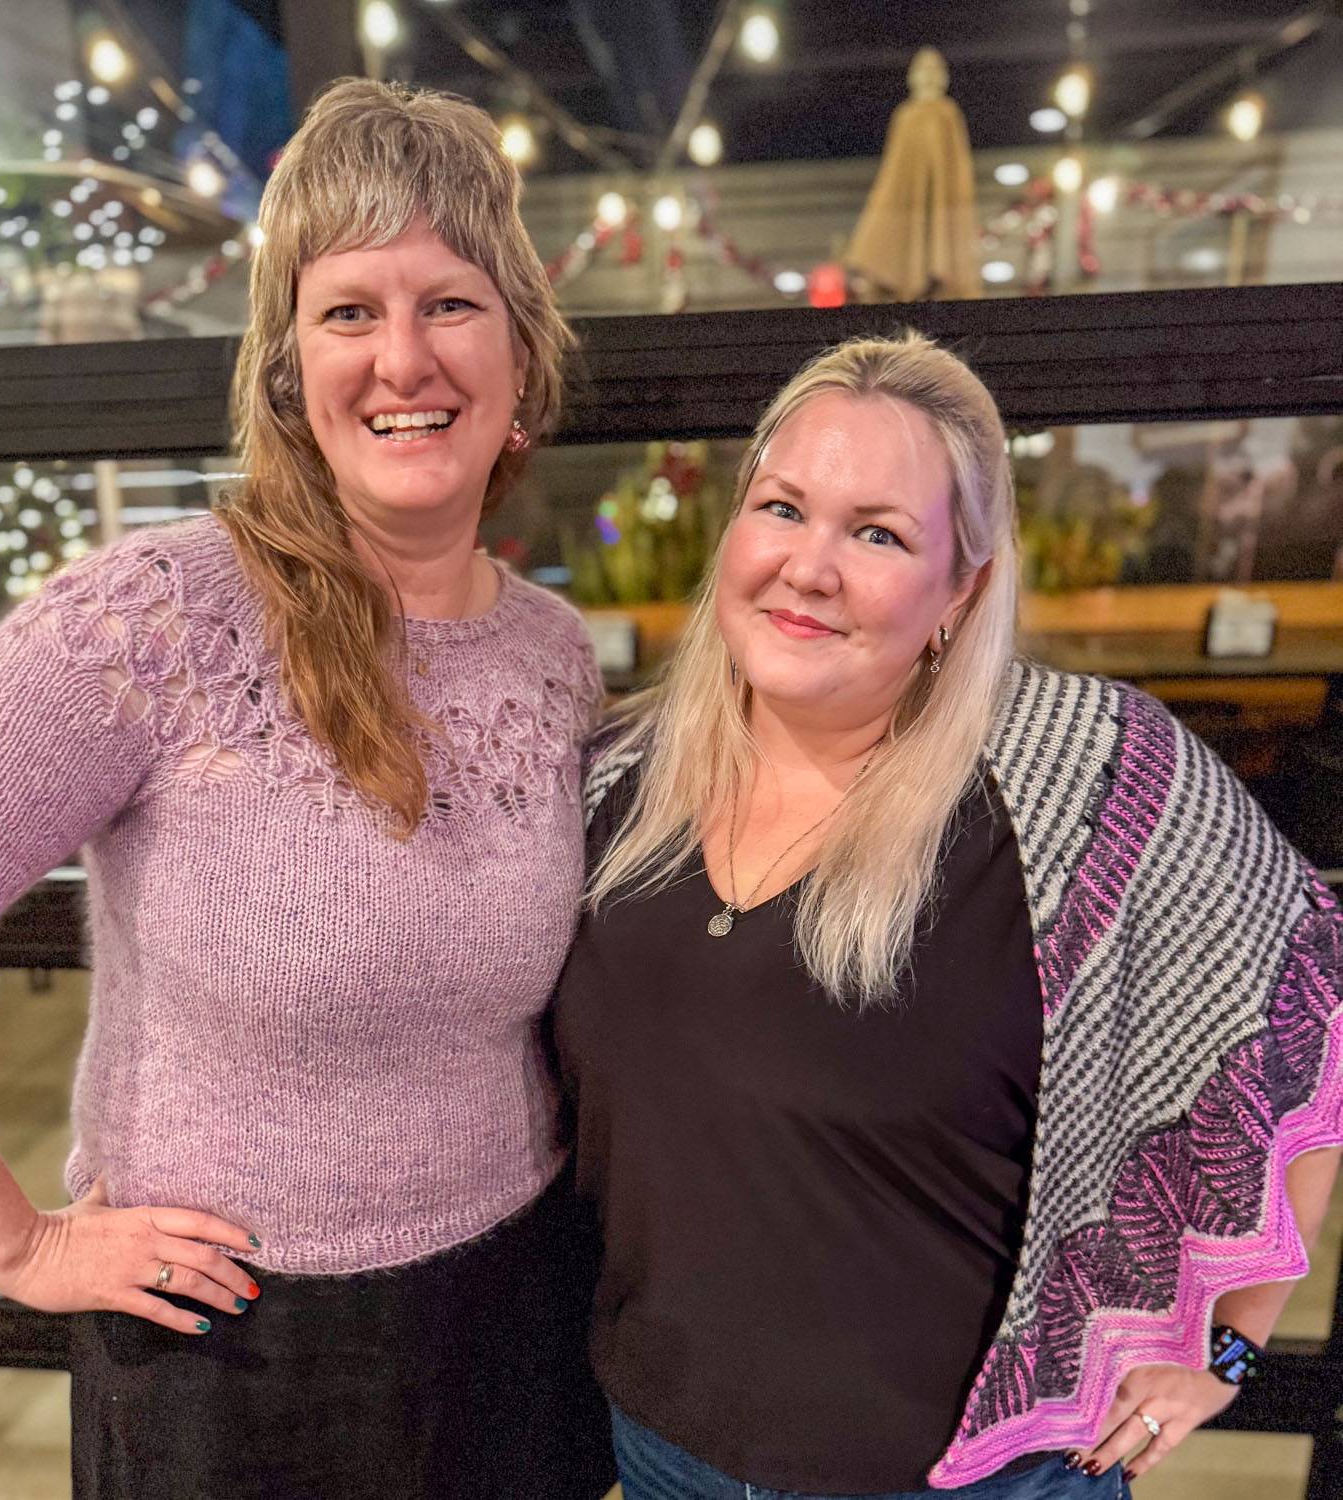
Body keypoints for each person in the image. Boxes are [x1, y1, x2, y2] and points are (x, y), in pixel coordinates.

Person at [0, 78, 615, 1500]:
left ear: (521, 352)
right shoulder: (163, 619)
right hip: (234, 1366)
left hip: (518, 1329)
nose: (402, 357)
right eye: (348, 311)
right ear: (287, 368)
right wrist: (17, 1246)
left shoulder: (553, 654)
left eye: (450, 303)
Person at [554, 332, 1343, 1497]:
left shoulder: (1093, 779)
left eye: (878, 534)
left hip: (984, 1479)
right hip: (668, 1453)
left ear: (960, 588)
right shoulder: (615, 779)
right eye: (782, 508)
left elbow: (1309, 1017)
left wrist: (1228, 1346)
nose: (809, 566)